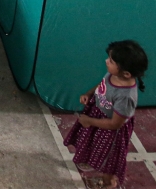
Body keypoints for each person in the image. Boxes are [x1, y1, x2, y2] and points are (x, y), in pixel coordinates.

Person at [64, 40, 149, 188]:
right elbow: (103, 83)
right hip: (98, 117)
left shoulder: (126, 96)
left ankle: (109, 183)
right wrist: (89, 94)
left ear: (126, 73)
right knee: (92, 145)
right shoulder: (113, 74)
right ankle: (90, 160)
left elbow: (115, 124)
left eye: (110, 60)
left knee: (109, 160)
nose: (106, 61)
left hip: (111, 131)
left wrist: (89, 121)